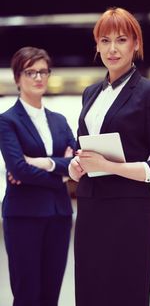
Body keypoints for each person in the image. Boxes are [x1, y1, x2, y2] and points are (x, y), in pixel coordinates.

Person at [68, 7, 150, 306]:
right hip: (90, 207)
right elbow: (84, 147)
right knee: (90, 290)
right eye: (105, 40)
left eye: (122, 40)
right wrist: (78, 165)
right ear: (97, 45)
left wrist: (110, 166)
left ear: (136, 44)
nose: (112, 49)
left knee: (125, 291)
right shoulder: (90, 93)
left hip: (128, 210)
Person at [0, 46, 76, 306]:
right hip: (24, 217)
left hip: (59, 215)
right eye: (30, 72)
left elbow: (76, 162)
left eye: (43, 71)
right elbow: (18, 169)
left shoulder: (59, 120)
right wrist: (61, 173)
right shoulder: (7, 121)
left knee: (50, 294)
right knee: (27, 294)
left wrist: (44, 164)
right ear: (18, 77)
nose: (38, 77)